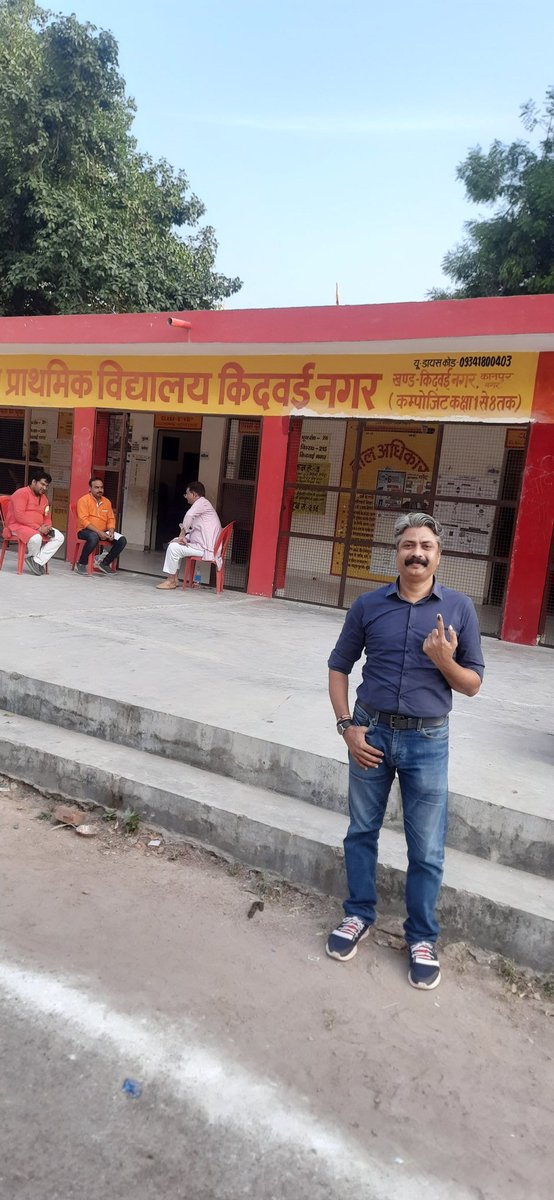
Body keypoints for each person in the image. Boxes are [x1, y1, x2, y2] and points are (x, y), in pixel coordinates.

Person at [326, 512, 484, 990]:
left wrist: (443, 660)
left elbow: (473, 684)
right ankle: (358, 915)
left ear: (439, 554)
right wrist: (347, 727)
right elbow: (338, 667)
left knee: (427, 848)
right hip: (370, 734)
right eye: (409, 544)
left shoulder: (459, 609)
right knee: (361, 831)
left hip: (428, 741)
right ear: (395, 553)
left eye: (427, 546)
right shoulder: (369, 605)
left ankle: (421, 938)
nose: (417, 553)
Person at [157, 482, 222, 591]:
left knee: (174, 548)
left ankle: (170, 581)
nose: (185, 496)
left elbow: (189, 516)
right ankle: (175, 579)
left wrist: (183, 533)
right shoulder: (203, 505)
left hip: (206, 548)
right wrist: (183, 537)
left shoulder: (201, 503)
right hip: (203, 545)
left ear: (194, 494)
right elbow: (197, 530)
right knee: (175, 542)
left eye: (187, 494)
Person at [5, 470, 64, 575]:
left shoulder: (44, 498)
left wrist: (47, 527)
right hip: (17, 526)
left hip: (37, 527)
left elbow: (47, 516)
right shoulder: (21, 493)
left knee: (59, 537)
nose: (44, 488)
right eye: (42, 484)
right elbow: (19, 516)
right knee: (36, 537)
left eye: (46, 486)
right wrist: (39, 528)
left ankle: (36, 561)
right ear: (33, 482)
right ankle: (34, 561)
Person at [75, 477, 127, 575]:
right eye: (97, 487)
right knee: (93, 536)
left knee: (122, 540)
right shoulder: (83, 500)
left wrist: (111, 530)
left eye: (101, 487)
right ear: (90, 488)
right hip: (85, 530)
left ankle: (104, 563)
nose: (100, 490)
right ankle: (81, 563)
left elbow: (111, 518)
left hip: (104, 531)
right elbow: (84, 521)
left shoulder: (107, 502)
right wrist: (99, 532)